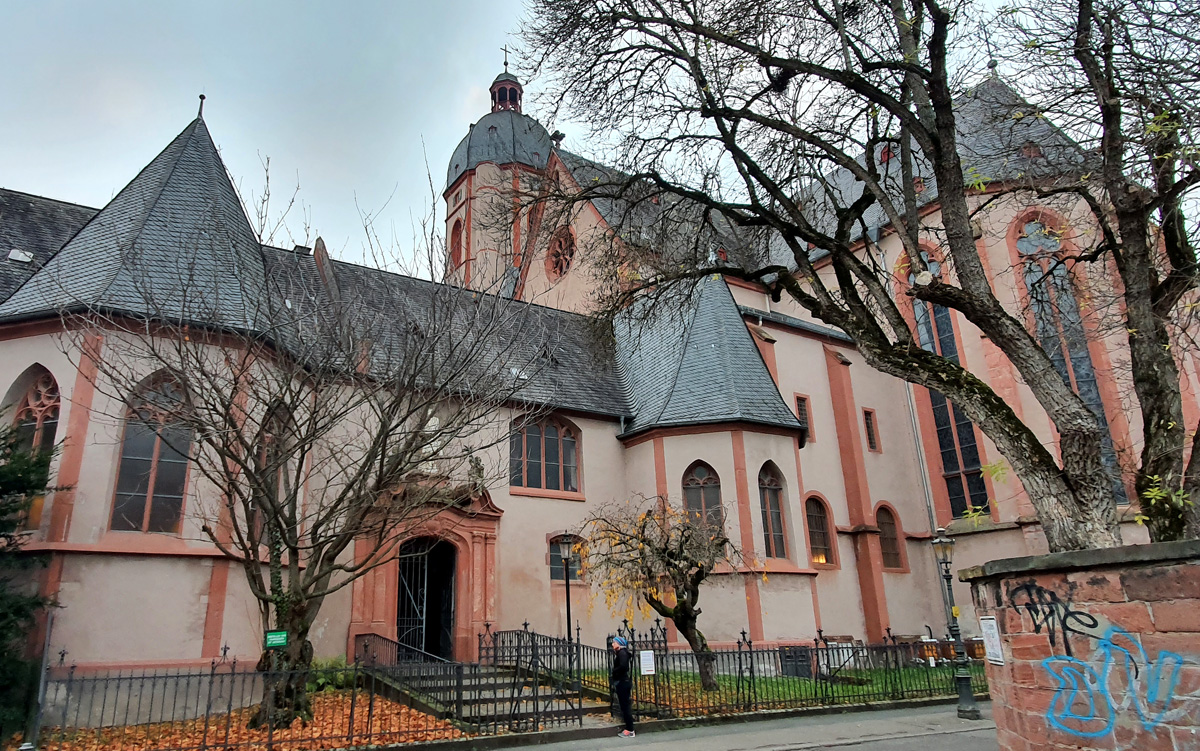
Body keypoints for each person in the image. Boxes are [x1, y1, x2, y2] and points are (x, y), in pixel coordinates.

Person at [610, 636, 635, 738]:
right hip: (622, 681)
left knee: (625, 706)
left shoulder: (622, 653)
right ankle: (629, 728)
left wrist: (614, 671)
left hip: (623, 682)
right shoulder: (621, 653)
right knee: (624, 706)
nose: (612, 644)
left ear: (619, 644)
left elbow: (624, 666)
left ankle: (630, 730)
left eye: (614, 643)